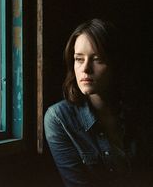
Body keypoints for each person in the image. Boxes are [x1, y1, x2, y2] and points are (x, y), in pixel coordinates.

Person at [44, 19, 150, 187]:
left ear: (116, 63)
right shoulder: (59, 118)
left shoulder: (141, 112)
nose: (85, 69)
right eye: (79, 59)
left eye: (97, 59)